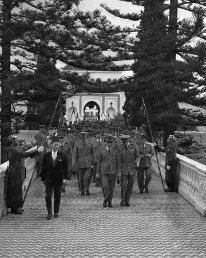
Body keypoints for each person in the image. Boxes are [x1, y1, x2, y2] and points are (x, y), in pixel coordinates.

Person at [4, 135, 44, 214]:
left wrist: (36, 149)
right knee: (16, 190)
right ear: (12, 141)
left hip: (16, 170)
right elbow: (24, 154)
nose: (18, 140)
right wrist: (37, 151)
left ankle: (16, 207)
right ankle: (15, 208)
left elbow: (25, 151)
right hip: (15, 172)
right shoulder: (14, 150)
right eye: (16, 140)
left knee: (17, 190)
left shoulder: (11, 149)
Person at [41, 136, 69, 220]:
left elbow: (65, 167)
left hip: (59, 179)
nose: (56, 146)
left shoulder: (62, 155)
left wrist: (65, 178)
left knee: (57, 195)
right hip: (48, 179)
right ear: (51, 145)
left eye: (58, 145)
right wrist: (42, 179)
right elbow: (43, 168)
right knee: (48, 195)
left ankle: (56, 211)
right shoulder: (46, 155)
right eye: (55, 145)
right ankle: (49, 212)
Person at [96, 135, 119, 208]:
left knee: (111, 188)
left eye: (111, 142)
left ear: (112, 143)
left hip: (113, 171)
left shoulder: (115, 150)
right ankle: (106, 198)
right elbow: (99, 161)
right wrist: (97, 172)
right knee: (105, 186)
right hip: (104, 171)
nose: (109, 144)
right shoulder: (101, 150)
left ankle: (109, 202)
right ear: (105, 142)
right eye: (108, 142)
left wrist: (118, 172)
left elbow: (118, 162)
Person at [118, 135, 139, 207]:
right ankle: (122, 200)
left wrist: (136, 163)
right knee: (124, 185)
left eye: (126, 140)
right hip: (123, 169)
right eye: (123, 141)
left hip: (132, 169)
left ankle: (127, 201)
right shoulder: (120, 148)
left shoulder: (134, 146)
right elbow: (118, 160)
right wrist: (119, 171)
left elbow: (137, 156)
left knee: (130, 186)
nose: (125, 142)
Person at [72, 130, 94, 196]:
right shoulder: (77, 144)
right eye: (82, 136)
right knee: (80, 178)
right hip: (80, 163)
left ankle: (87, 188)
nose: (83, 137)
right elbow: (74, 153)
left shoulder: (90, 143)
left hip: (88, 163)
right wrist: (74, 162)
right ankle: (82, 190)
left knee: (87, 177)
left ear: (86, 136)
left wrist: (93, 163)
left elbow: (93, 153)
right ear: (80, 137)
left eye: (84, 136)